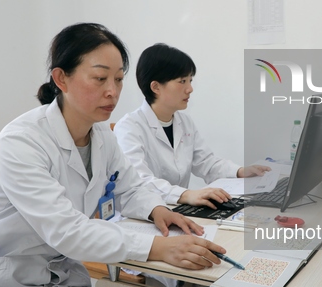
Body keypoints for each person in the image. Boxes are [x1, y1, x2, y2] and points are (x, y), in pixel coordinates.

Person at [0, 23, 228, 287]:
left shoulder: (101, 136)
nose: (112, 91)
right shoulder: (22, 141)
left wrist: (156, 208)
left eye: (119, 78)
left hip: (56, 285)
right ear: (61, 79)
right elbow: (66, 231)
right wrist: (157, 248)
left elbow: (131, 185)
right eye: (100, 78)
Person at [114, 43, 269, 209]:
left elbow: (207, 163)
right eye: (182, 81)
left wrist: (240, 171)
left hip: (178, 209)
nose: (190, 89)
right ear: (156, 87)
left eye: (190, 80)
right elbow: (139, 181)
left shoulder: (184, 122)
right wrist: (186, 194)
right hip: (143, 215)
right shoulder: (129, 127)